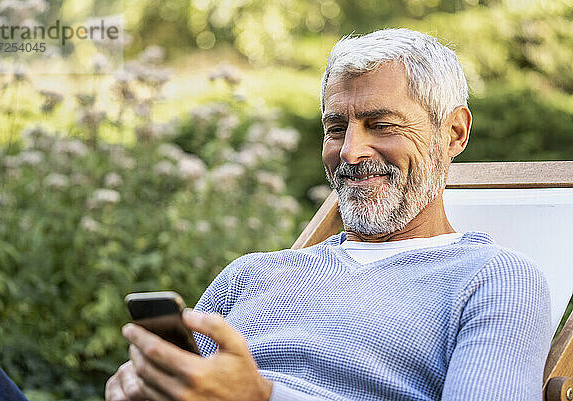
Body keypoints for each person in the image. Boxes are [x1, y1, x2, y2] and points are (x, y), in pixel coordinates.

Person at [106, 28, 551, 400]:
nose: (351, 153)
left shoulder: (494, 279)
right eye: (336, 129)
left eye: (382, 125)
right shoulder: (252, 274)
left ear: (454, 133)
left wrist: (263, 396)